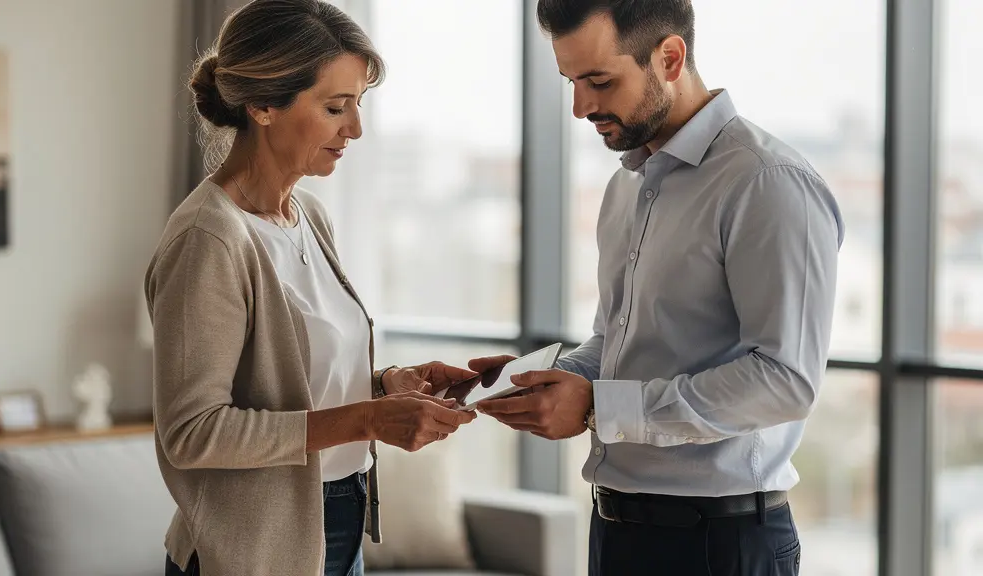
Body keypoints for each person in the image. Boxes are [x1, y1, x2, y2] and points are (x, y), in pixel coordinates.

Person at [473, 1, 844, 574]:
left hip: (719, 543)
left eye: (599, 81)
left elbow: (785, 379)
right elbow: (616, 340)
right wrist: (548, 378)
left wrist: (597, 407)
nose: (580, 107)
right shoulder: (628, 187)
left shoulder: (765, 184)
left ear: (670, 58)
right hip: (618, 531)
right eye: (572, 82)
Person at [144, 2, 476, 575]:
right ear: (263, 105)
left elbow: (287, 384)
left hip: (339, 522)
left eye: (358, 106)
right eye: (334, 108)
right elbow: (192, 433)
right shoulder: (210, 239)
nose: (355, 129)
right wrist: (368, 419)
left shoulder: (309, 217)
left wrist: (386, 385)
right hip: (250, 549)